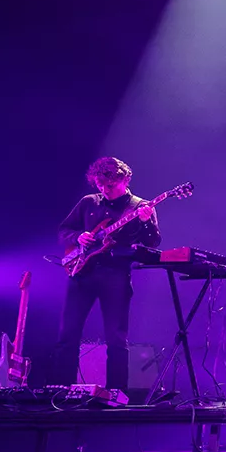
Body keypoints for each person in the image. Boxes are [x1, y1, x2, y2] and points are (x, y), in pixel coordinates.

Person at [53, 157, 160, 393]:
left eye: (110, 185)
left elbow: (153, 243)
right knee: (67, 335)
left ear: (125, 179)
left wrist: (146, 223)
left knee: (116, 339)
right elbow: (63, 231)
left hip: (116, 275)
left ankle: (116, 394)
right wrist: (78, 237)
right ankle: (60, 391)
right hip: (82, 273)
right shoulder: (89, 202)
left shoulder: (140, 206)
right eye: (100, 185)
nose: (104, 190)